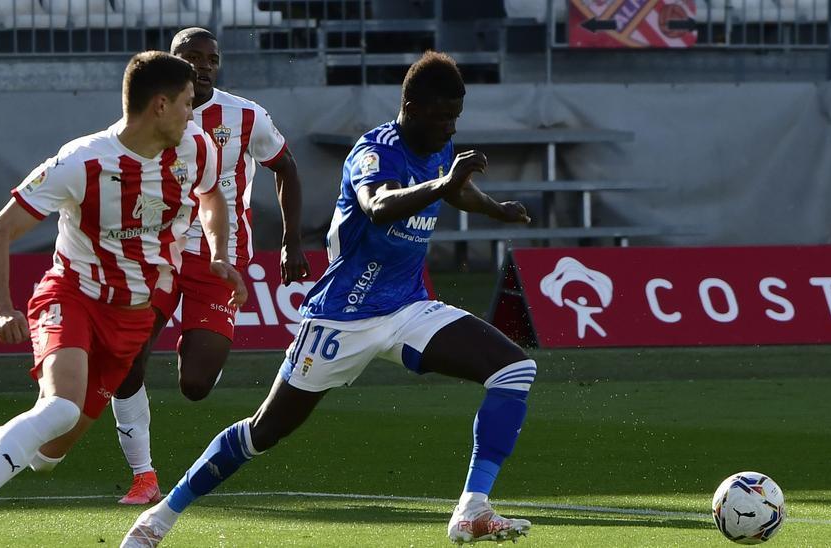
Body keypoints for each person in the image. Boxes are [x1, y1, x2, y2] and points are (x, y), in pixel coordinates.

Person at [121, 51, 537, 547]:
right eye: (441, 116)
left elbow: (456, 192)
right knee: (263, 432)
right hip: (342, 317)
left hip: (406, 307)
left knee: (514, 369)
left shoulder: (438, 148)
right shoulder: (373, 149)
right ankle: (158, 520)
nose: (449, 128)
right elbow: (376, 205)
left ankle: (472, 508)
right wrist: (444, 183)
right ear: (410, 106)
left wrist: (495, 208)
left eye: (455, 118)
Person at [0, 51, 247, 548]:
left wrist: (218, 252)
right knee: (61, 409)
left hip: (130, 319)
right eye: (186, 104)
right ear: (159, 106)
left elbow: (212, 196)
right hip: (72, 297)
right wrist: (1, 307)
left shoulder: (194, 147)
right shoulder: (82, 161)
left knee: (49, 454)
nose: (192, 114)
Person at [110, 27, 311, 506]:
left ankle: (196, 335)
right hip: (155, 255)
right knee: (126, 363)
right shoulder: (147, 113)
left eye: (211, 59)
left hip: (219, 261)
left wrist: (291, 241)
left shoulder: (245, 116)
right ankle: (143, 476)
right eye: (191, 57)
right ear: (170, 61)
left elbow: (286, 167)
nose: (202, 66)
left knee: (196, 385)